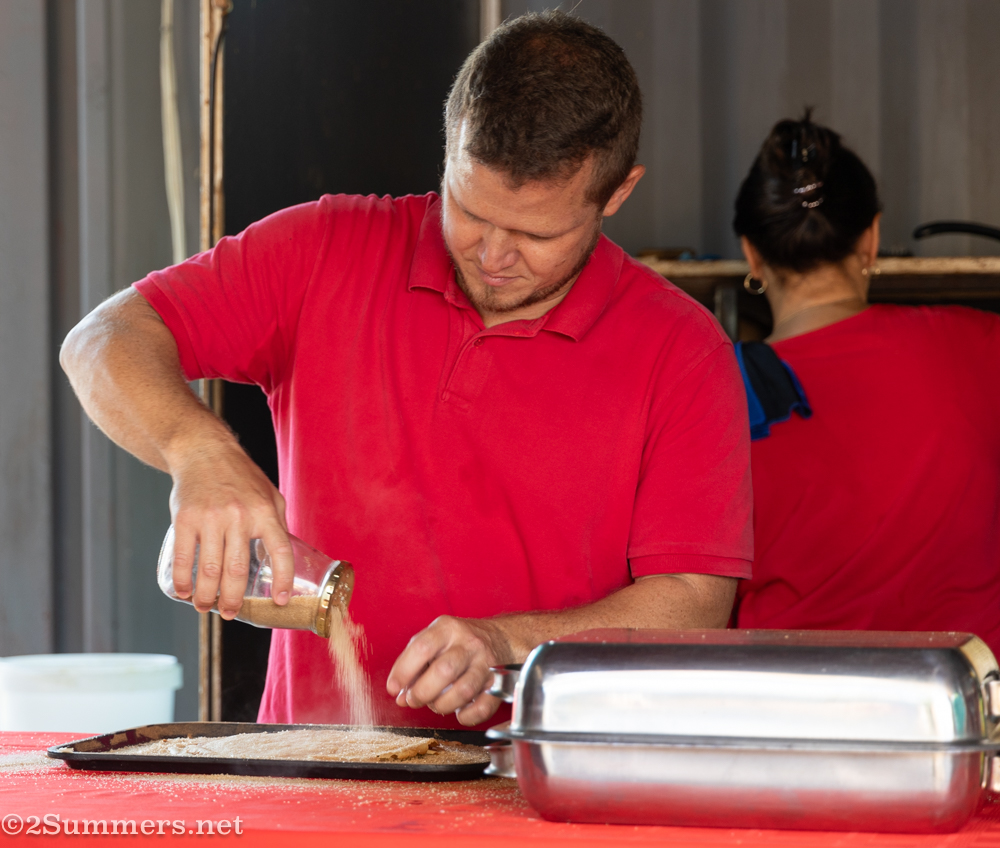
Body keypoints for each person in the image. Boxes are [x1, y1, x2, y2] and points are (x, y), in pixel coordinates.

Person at [60, 11, 752, 729]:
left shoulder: (682, 350)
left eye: (536, 234)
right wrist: (197, 451)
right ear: (448, 146)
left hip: (539, 793)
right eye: (468, 209)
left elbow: (695, 600)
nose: (491, 255)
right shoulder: (325, 250)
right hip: (312, 781)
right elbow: (102, 338)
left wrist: (506, 642)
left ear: (616, 194)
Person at [731, 112, 1000, 654]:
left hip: (789, 709)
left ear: (751, 254)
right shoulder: (983, 345)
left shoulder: (714, 392)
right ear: (871, 239)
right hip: (968, 713)